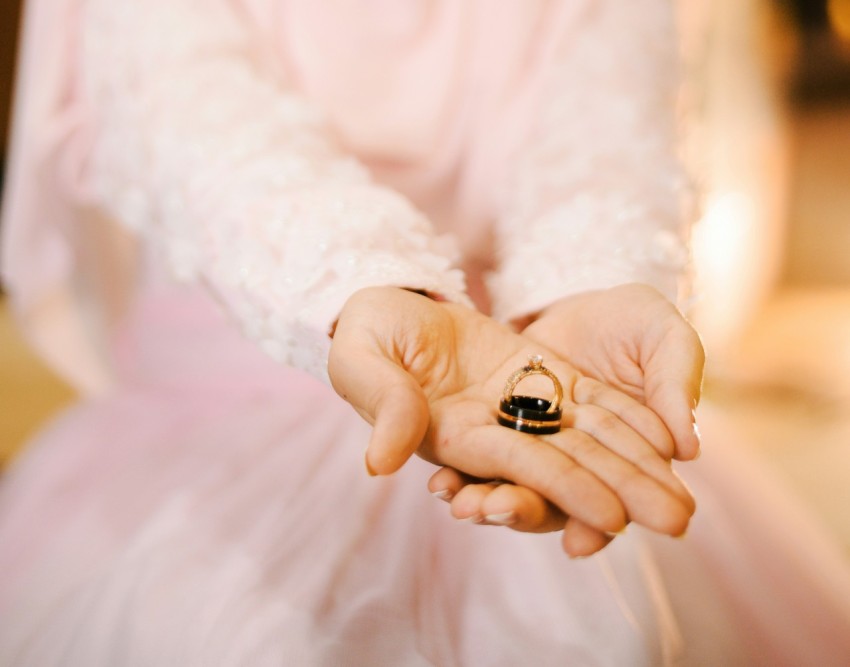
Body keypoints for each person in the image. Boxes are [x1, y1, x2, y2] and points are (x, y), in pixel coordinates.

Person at [1, 0, 849, 664]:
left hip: (530, 358)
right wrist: (357, 283)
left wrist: (591, 276)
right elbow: (188, 105)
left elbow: (599, 123)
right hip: (221, 393)